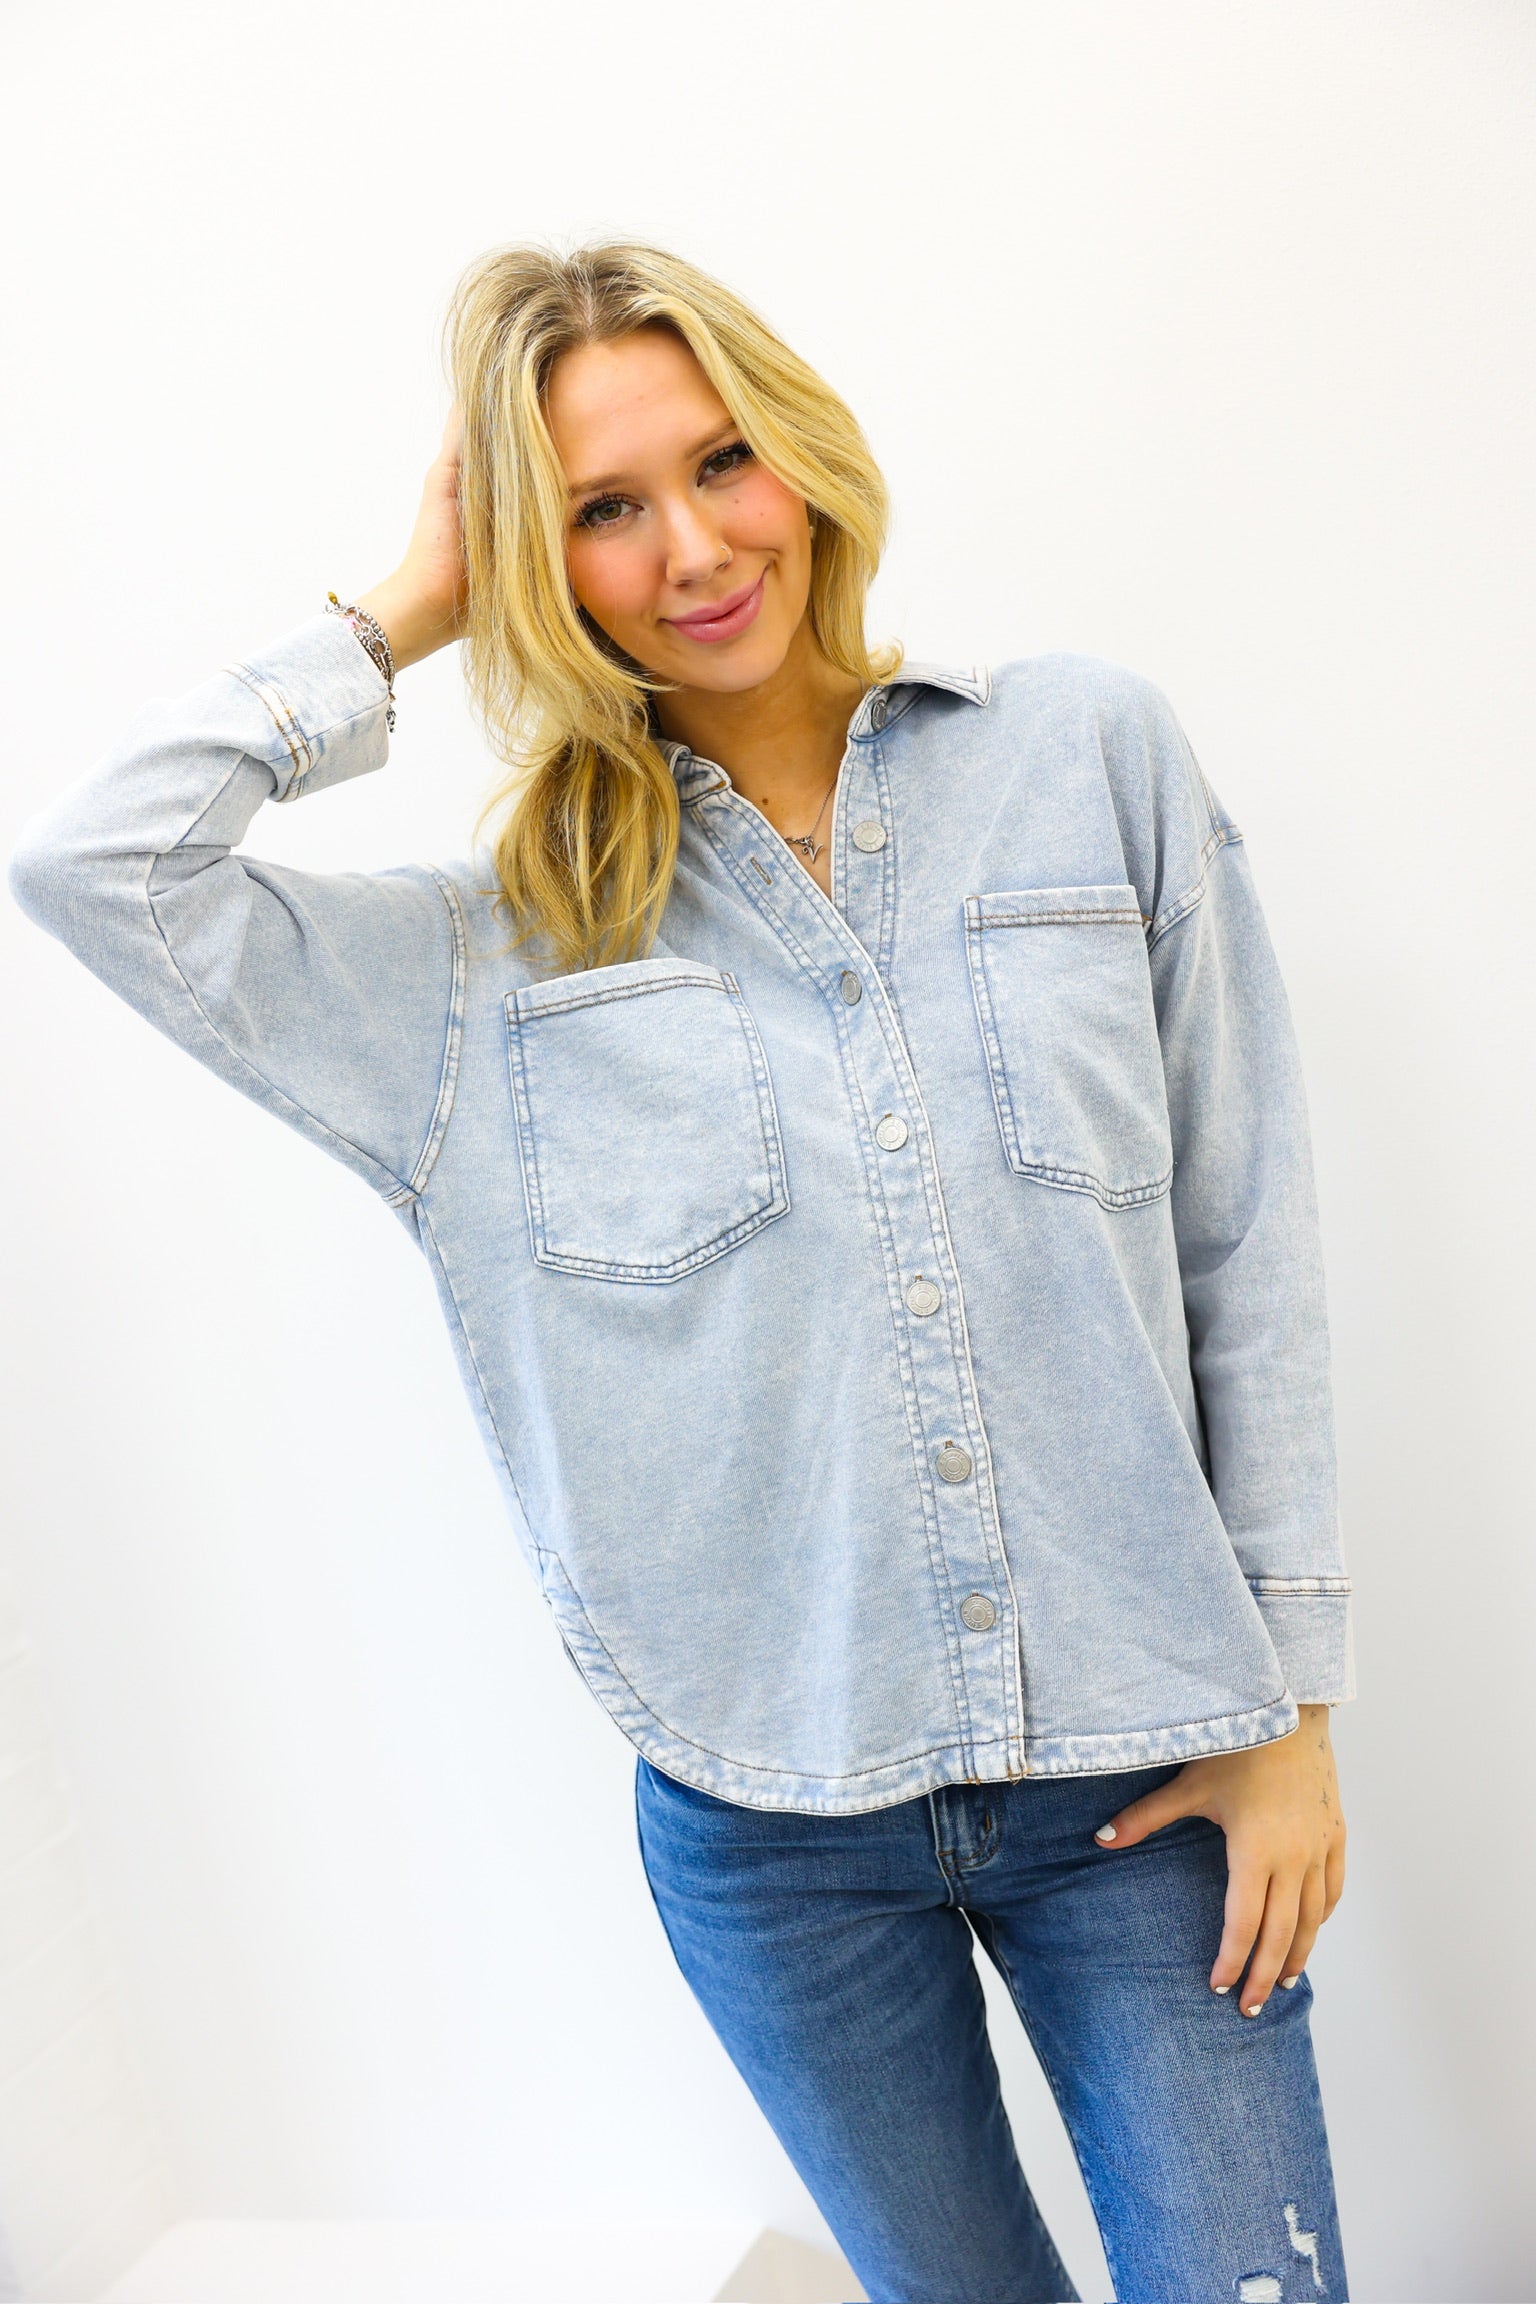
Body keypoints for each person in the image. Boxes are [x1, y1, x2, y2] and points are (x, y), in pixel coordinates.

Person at [9, 241, 1352, 2304]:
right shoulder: (483, 959)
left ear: (802, 453)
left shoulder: (1088, 754)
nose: (697, 547)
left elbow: (1242, 1231)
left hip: (1151, 1760)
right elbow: (98, 870)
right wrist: (403, 608)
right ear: (541, 563)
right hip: (768, 1822)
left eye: (723, 462)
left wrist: (1293, 1708)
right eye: (600, 512)